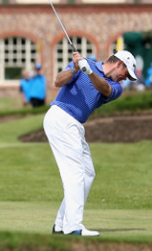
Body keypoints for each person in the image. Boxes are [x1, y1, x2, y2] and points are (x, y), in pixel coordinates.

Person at [43, 49, 137, 237]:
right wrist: (76, 68)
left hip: (75, 125)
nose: (125, 78)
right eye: (126, 74)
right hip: (61, 117)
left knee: (87, 173)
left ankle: (61, 224)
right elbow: (58, 81)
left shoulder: (116, 87)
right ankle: (73, 226)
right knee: (76, 173)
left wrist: (89, 72)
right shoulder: (85, 64)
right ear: (120, 63)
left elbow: (104, 89)